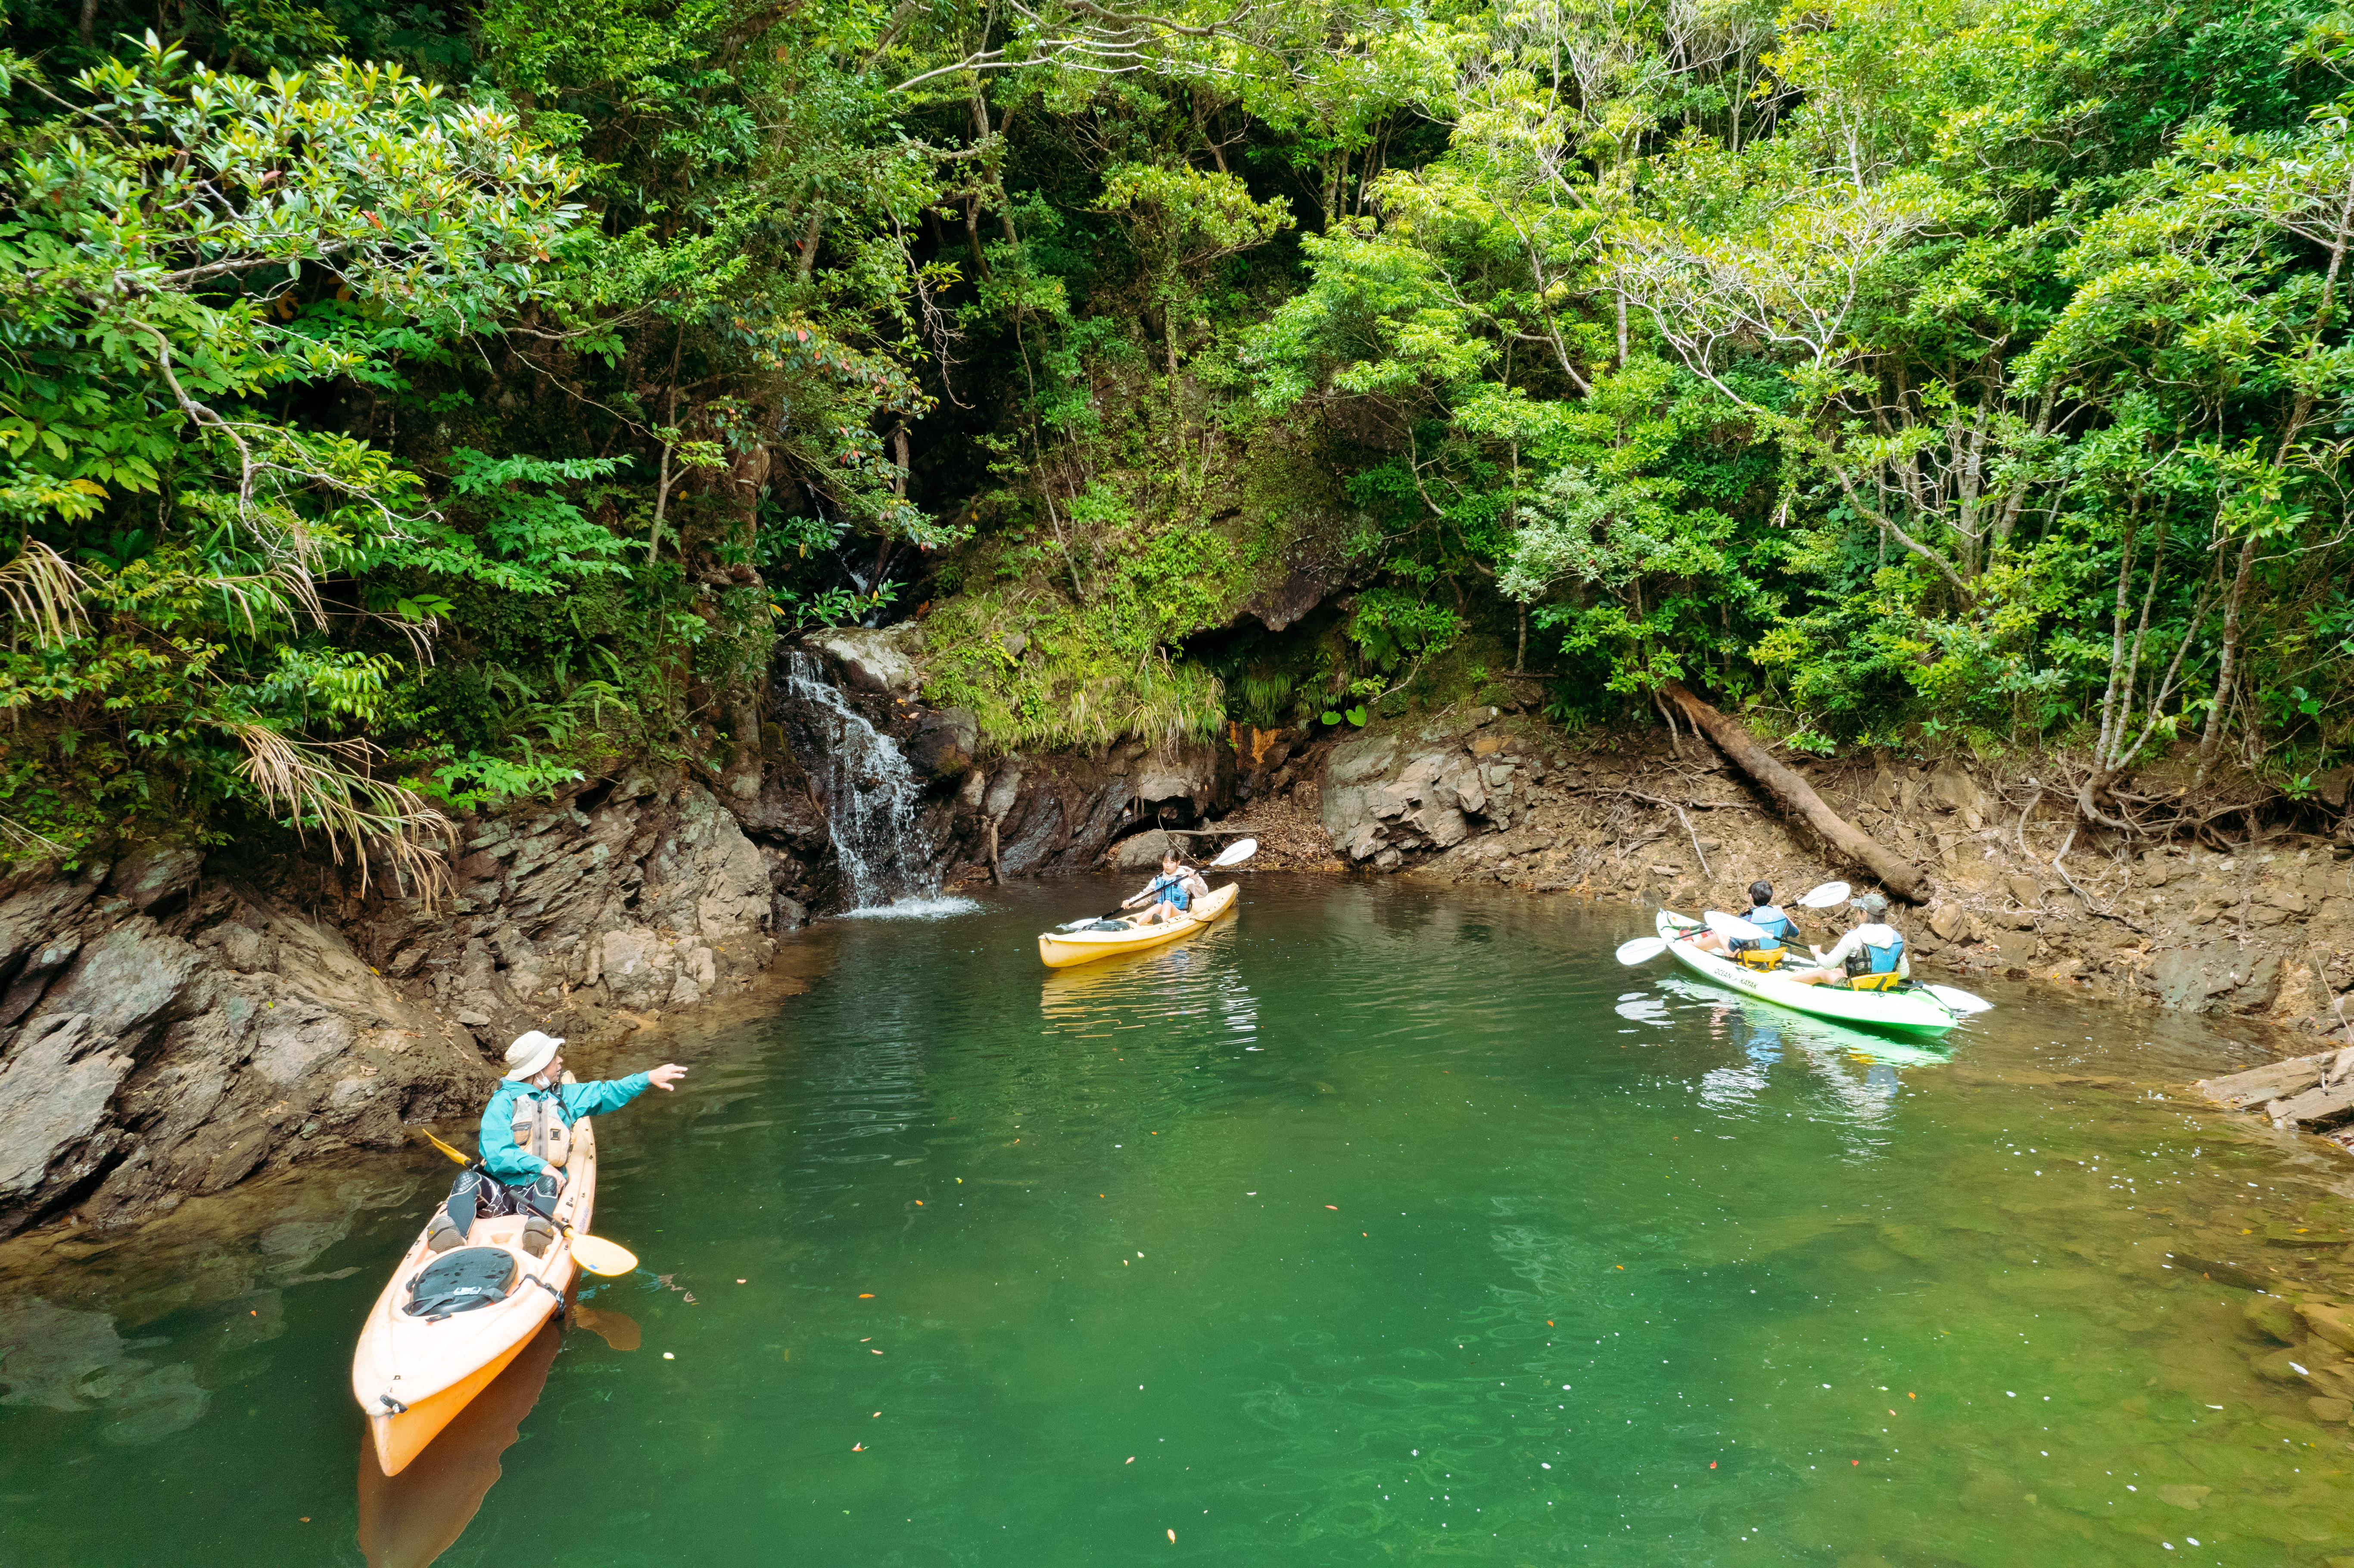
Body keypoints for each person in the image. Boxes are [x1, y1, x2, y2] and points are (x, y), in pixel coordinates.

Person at [426, 1030, 688, 1258]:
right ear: (538, 1068)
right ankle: (455, 1240)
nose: (560, 1060)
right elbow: (496, 1153)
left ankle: (536, 1234)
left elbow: (608, 1092)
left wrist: (647, 1077)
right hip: (500, 1192)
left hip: (538, 1196)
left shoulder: (566, 1098)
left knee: (549, 1182)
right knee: (465, 1179)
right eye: (554, 1057)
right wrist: (541, 1166)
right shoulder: (503, 1102)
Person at [1787, 892, 1909, 988]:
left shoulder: (1854, 937)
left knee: (1825, 973)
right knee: (1840, 971)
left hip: (1856, 987)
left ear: (1865, 914)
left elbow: (1828, 964)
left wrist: (1817, 952)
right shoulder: (1896, 937)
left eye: (1858, 911)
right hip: (1883, 985)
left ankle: (1789, 985)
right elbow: (1904, 974)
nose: (1857, 914)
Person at [1691, 880, 1800, 963]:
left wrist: (1719, 931)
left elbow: (1734, 943)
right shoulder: (1780, 916)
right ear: (1769, 898)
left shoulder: (1748, 919)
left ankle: (1694, 946)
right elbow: (1796, 932)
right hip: (1774, 957)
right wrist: (1783, 913)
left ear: (1750, 897)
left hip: (1751, 960)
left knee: (1719, 932)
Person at [1121, 848, 1198, 927]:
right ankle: (1134, 926)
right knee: (1159, 906)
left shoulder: (1186, 879)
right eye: (1165, 862)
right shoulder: (1158, 880)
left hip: (1181, 915)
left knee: (1167, 903)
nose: (1168, 866)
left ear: (1178, 863)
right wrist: (1132, 902)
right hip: (1160, 914)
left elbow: (1202, 894)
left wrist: (1197, 879)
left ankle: (1160, 926)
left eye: (1171, 863)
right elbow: (1145, 896)